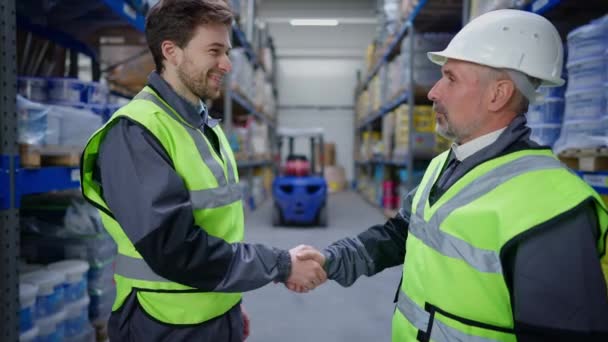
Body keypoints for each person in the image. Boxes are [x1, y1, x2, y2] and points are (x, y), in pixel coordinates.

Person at [295, 9, 608, 341]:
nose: (433, 92)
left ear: (498, 94)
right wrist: (332, 259)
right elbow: (402, 234)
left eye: (451, 78)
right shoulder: (444, 164)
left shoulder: (551, 208)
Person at [80, 1, 325, 341]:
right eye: (214, 51)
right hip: (163, 323)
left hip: (211, 310)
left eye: (226, 51)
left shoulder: (203, 126)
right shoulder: (137, 133)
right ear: (172, 51)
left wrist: (229, 302)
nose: (226, 64)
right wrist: (280, 264)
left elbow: (216, 229)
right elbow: (175, 249)